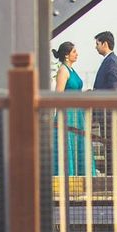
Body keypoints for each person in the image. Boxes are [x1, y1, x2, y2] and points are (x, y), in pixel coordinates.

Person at [51, 41, 88, 176]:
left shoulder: (71, 70)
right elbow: (58, 94)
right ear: (67, 55)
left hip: (77, 113)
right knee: (68, 144)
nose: (76, 54)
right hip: (67, 114)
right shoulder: (63, 70)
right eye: (74, 52)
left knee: (77, 143)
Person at [92, 31, 117, 176]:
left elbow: (114, 86)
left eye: (97, 43)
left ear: (104, 43)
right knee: (109, 142)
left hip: (109, 110)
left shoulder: (111, 61)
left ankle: (113, 173)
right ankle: (112, 172)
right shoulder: (110, 60)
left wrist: (95, 93)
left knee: (110, 143)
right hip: (108, 109)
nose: (95, 47)